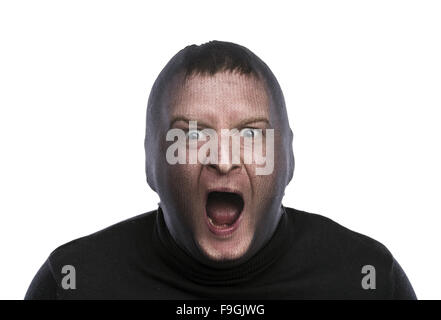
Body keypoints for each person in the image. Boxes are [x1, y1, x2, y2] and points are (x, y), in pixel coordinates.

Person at [25, 41, 416, 299]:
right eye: (192, 134)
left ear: (288, 158)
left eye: (251, 133)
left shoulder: (366, 278)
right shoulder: (74, 282)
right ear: (151, 162)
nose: (224, 159)